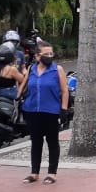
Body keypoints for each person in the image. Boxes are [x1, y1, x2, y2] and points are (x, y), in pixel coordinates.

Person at [20, 40, 69, 184]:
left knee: (52, 142)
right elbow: (23, 87)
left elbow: (64, 91)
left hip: (51, 111)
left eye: (51, 53)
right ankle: (34, 172)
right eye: (45, 54)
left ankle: (52, 173)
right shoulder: (31, 69)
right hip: (32, 110)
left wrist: (64, 110)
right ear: (37, 56)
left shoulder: (57, 69)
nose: (49, 56)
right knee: (36, 142)